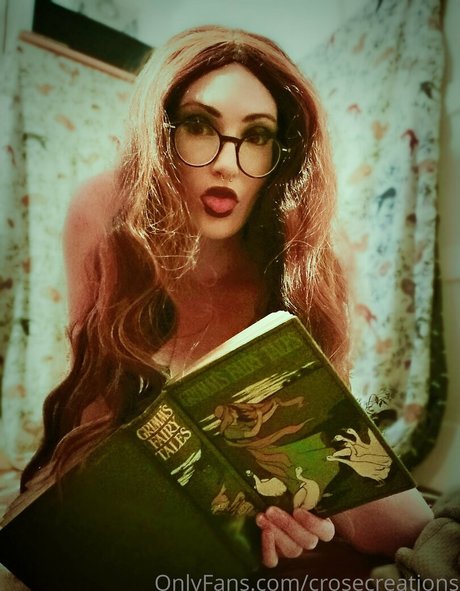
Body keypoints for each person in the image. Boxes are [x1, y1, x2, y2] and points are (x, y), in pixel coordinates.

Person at [17, 25, 433, 571]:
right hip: (141, 454)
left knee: (414, 530)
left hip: (268, 464)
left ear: (283, 152)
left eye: (257, 135)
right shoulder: (102, 209)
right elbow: (95, 399)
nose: (228, 163)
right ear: (161, 134)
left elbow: (321, 426)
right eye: (198, 125)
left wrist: (299, 513)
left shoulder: (309, 249)